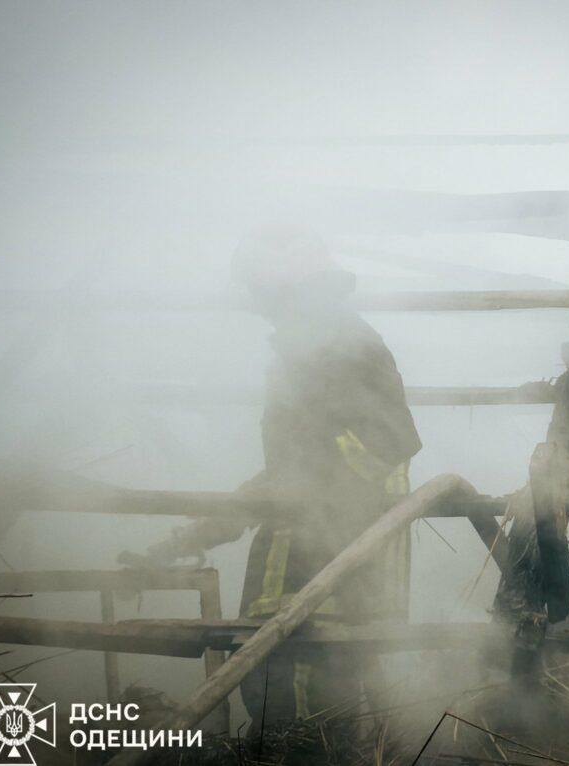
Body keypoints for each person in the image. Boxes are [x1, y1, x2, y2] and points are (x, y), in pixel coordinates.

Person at [119, 227, 421, 723]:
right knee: (281, 701)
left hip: (325, 574)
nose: (262, 310)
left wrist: (315, 495)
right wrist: (184, 539)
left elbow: (385, 448)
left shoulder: (342, 349)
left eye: (265, 296)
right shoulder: (317, 353)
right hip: (311, 575)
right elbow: (288, 472)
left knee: (299, 715)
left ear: (293, 292)